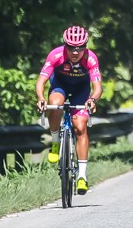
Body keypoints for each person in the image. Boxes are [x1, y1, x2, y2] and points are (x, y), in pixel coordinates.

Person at [35, 25, 102, 196]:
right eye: (71, 47)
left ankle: (82, 176)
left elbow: (97, 87)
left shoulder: (91, 59)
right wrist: (41, 98)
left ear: (85, 47)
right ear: (65, 45)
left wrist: (92, 100)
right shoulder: (56, 55)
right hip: (60, 86)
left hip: (81, 91)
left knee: (80, 126)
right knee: (55, 104)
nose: (75, 52)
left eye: (79, 48)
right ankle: (56, 141)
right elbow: (41, 81)